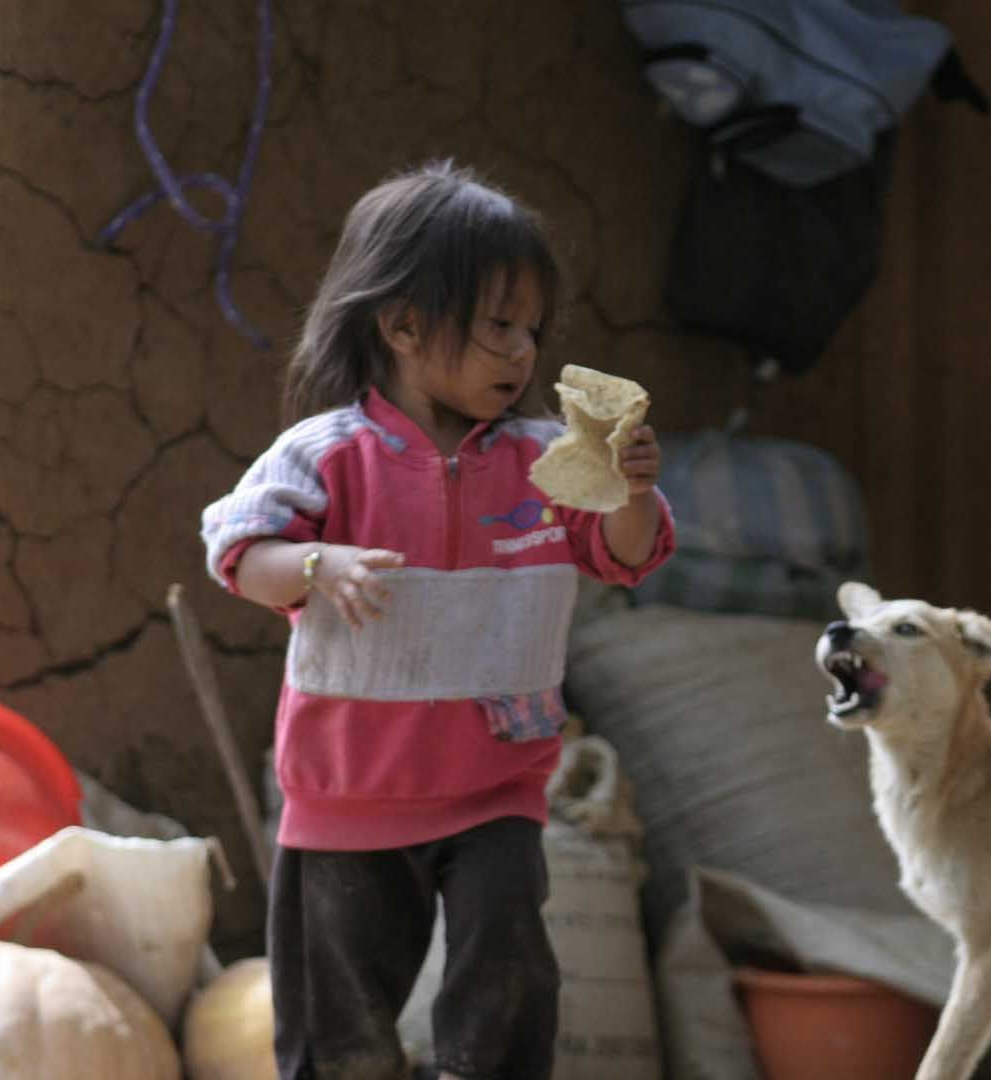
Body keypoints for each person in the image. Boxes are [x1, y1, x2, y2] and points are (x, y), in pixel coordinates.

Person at [199, 159, 674, 1080]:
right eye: (498, 324)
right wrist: (313, 564)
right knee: (343, 1035)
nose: (523, 352)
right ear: (405, 325)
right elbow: (239, 556)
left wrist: (631, 488)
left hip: (497, 784)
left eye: (532, 330)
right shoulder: (324, 454)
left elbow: (627, 551)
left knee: (505, 997)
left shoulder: (551, 459)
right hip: (346, 795)